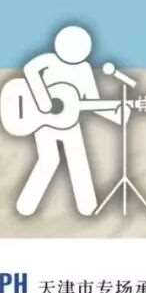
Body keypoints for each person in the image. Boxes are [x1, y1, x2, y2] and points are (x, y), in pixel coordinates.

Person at [14, 23, 110, 218]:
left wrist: (114, 112)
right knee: (49, 159)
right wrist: (43, 100)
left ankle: (87, 207)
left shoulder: (84, 69)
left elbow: (92, 101)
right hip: (44, 122)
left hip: (70, 123)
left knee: (78, 159)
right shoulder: (48, 60)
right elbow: (29, 69)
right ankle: (25, 206)